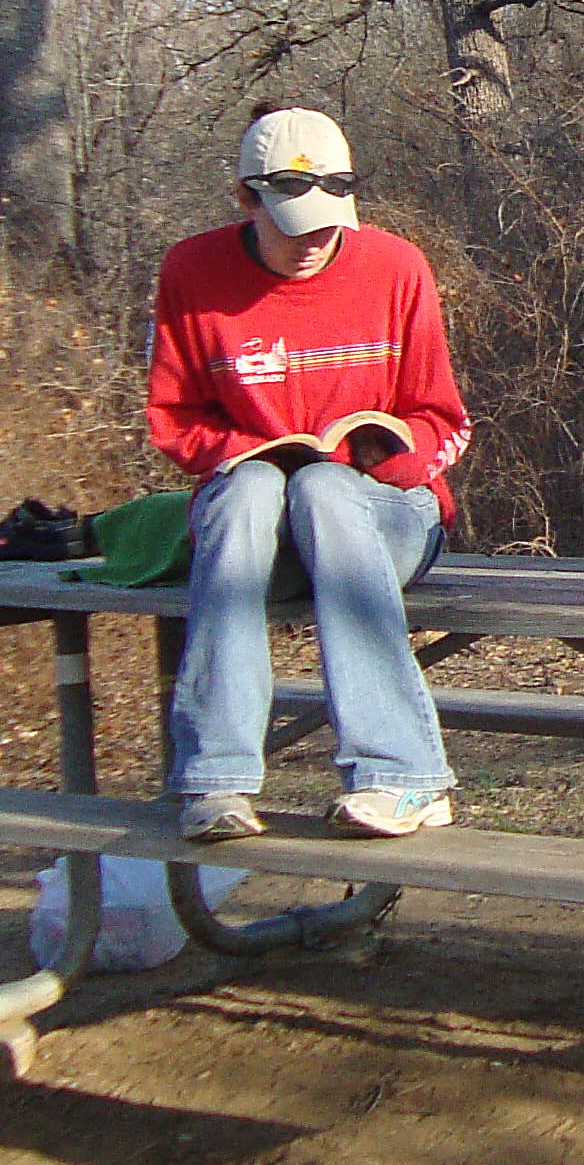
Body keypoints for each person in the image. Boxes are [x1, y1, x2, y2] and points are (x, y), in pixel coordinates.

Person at [146, 104, 471, 840]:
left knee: (324, 488)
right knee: (254, 490)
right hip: (256, 529)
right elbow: (172, 418)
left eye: (326, 226)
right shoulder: (192, 272)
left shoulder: (396, 266)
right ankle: (215, 781)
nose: (310, 244)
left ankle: (401, 774)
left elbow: (445, 422)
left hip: (383, 515)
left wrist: (383, 455)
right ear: (245, 199)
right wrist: (240, 454)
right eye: (291, 224)